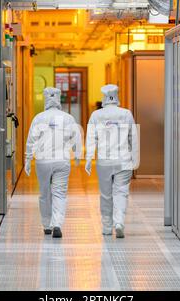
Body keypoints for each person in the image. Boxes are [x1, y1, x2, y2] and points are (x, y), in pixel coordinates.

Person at [25, 87, 82, 238]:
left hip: (43, 161)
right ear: (58, 99)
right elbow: (76, 137)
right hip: (61, 160)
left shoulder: (39, 118)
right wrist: (77, 154)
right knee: (59, 193)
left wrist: (27, 158)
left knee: (44, 193)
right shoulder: (68, 118)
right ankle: (57, 223)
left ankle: (47, 225)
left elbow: (31, 140)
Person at [85, 84, 139, 238]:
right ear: (117, 97)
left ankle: (107, 226)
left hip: (104, 161)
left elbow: (90, 138)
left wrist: (89, 158)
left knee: (106, 194)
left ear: (104, 98)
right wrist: (135, 159)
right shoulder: (126, 114)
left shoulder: (96, 115)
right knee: (121, 192)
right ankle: (119, 222)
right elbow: (133, 137)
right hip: (123, 160)